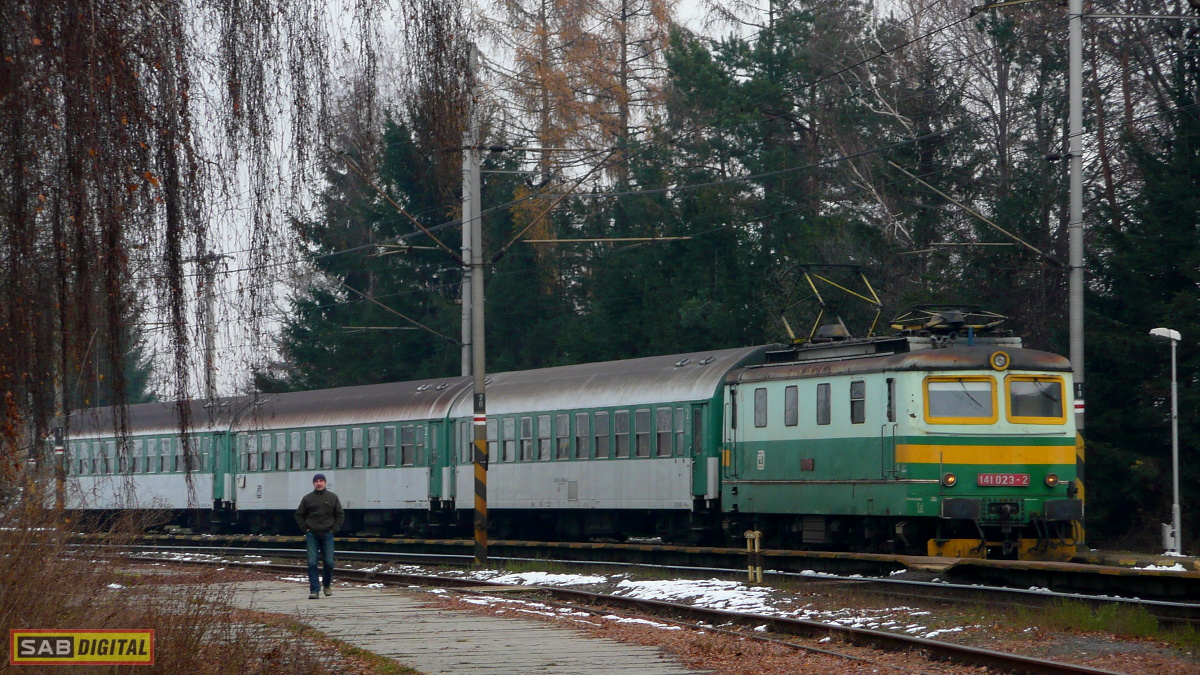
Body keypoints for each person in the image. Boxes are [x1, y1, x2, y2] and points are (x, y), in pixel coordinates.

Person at [294, 473, 344, 599]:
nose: (319, 483)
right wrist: (305, 529)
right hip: (312, 535)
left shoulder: (332, 497)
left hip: (327, 534)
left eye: (321, 481)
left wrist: (334, 529)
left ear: (325, 483)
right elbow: (299, 515)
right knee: (312, 562)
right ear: (313, 483)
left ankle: (326, 584)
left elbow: (339, 514)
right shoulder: (307, 499)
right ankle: (314, 590)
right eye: (316, 481)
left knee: (329, 562)